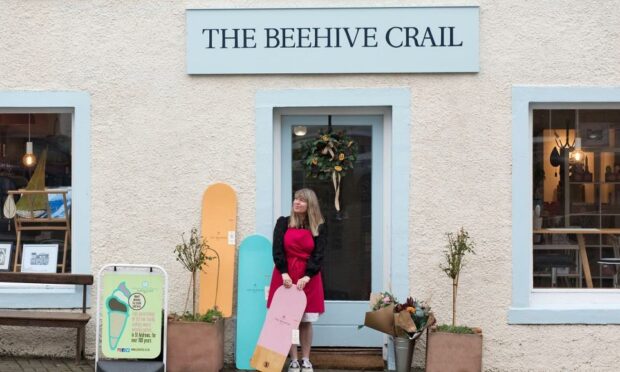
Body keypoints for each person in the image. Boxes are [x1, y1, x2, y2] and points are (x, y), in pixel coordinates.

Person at [266, 188, 327, 372]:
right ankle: (293, 359)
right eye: (295, 199)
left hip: (309, 277)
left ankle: (306, 359)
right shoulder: (283, 223)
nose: (296, 202)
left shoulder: (319, 225)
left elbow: (319, 253)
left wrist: (308, 275)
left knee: (306, 321)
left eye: (301, 200)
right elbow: (277, 249)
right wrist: (284, 272)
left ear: (310, 204)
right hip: (285, 276)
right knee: (288, 320)